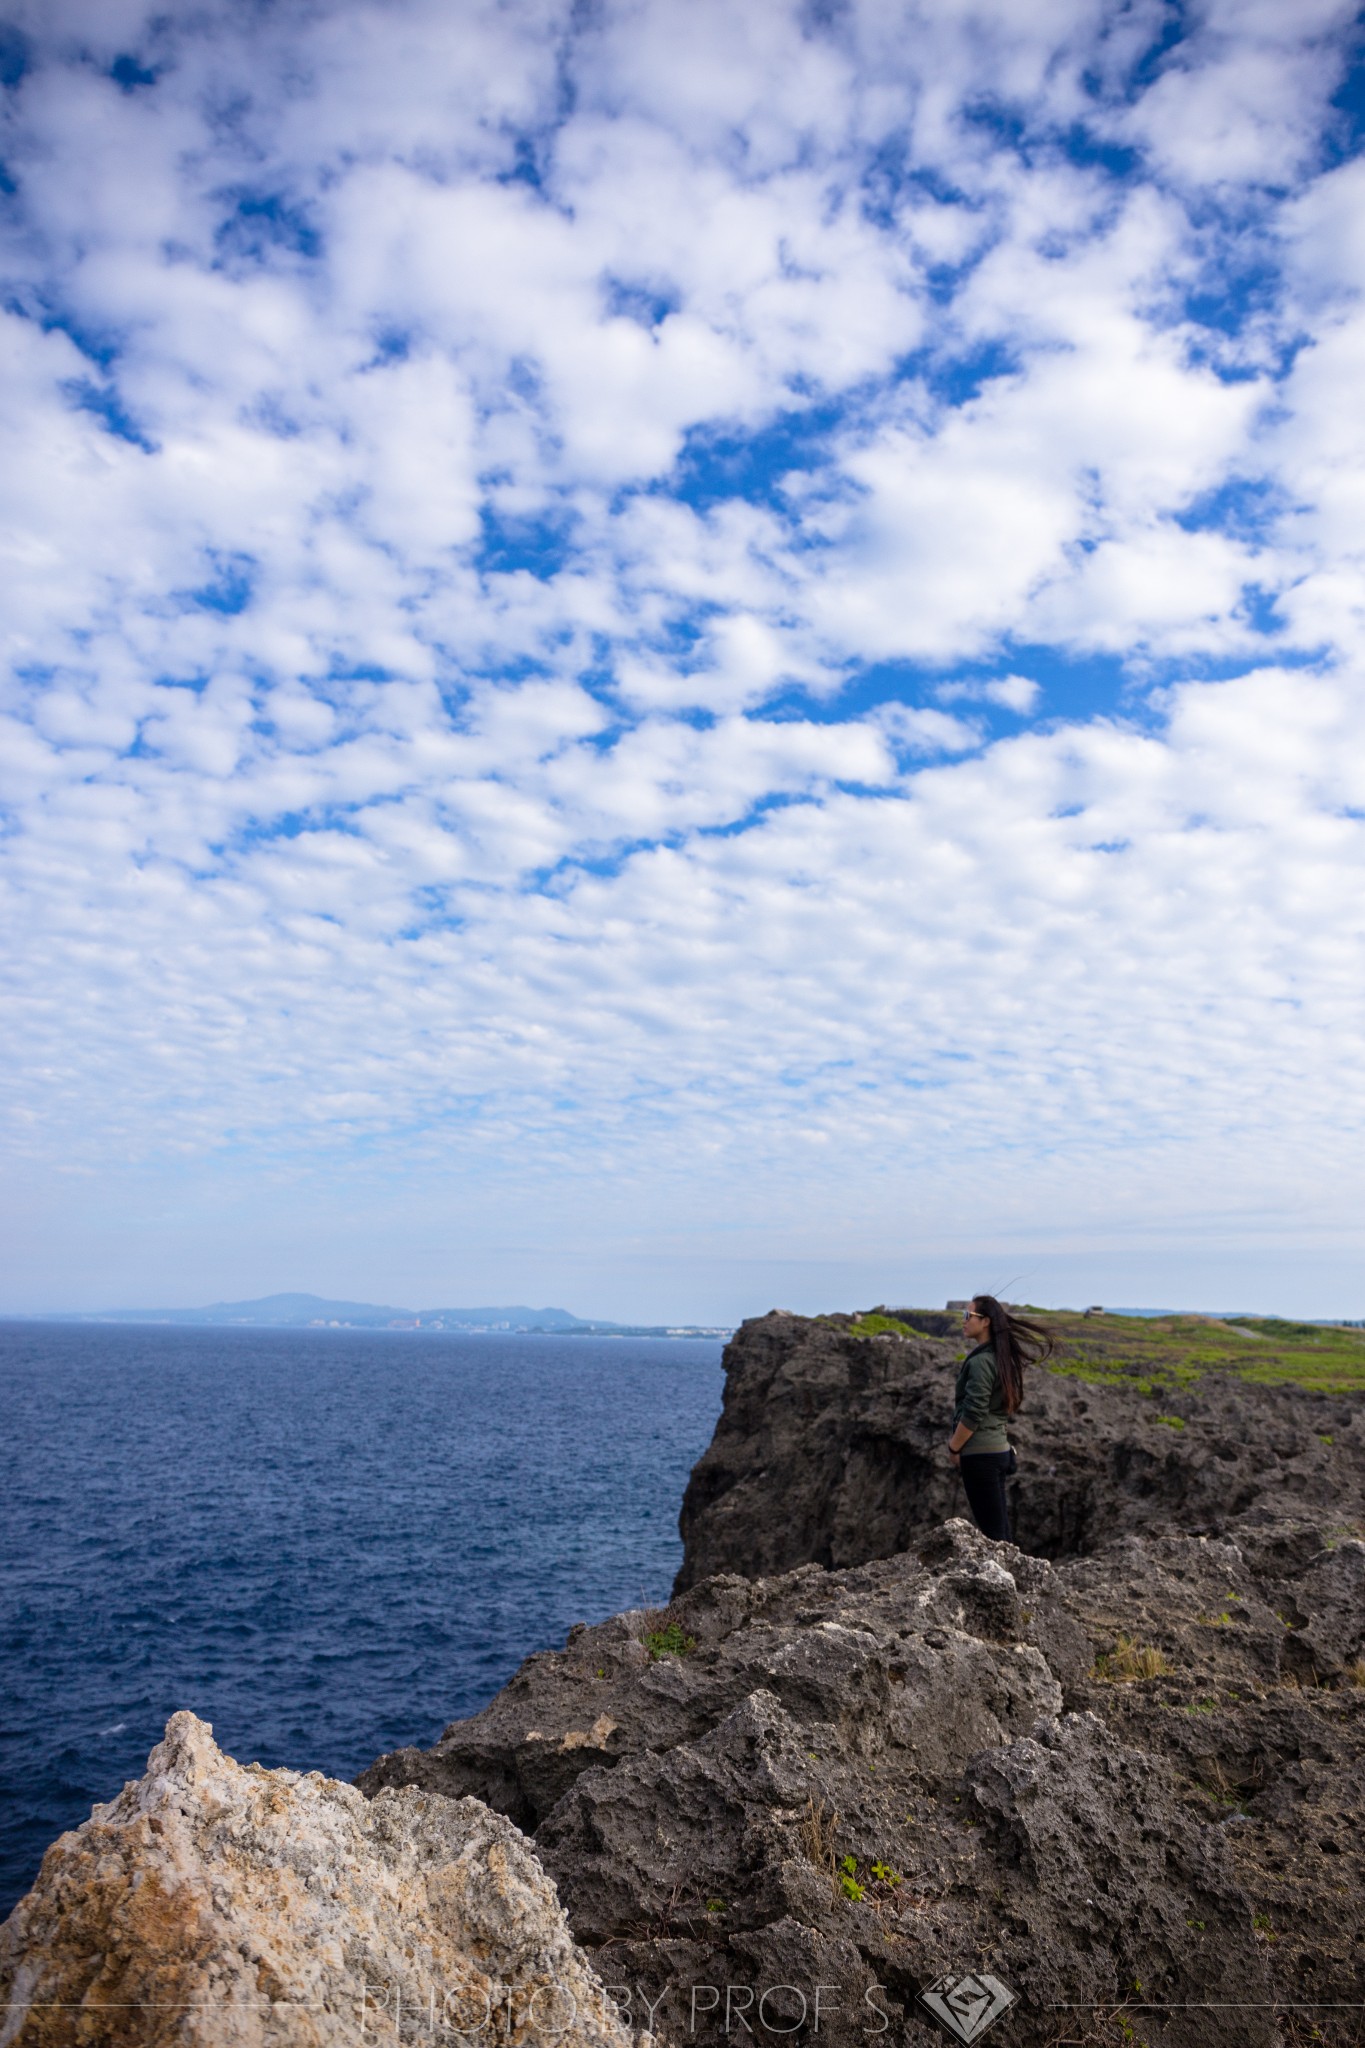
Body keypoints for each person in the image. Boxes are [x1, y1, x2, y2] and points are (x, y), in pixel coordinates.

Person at [948, 1295, 1055, 1540]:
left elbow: (974, 1411)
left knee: (993, 1533)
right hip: (998, 1451)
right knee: (999, 1528)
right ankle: (1008, 1574)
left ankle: (1001, 1578)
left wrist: (954, 1447)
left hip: (980, 1455)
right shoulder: (1001, 1356)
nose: (963, 1321)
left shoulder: (982, 1362)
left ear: (985, 1321)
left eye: (968, 1315)